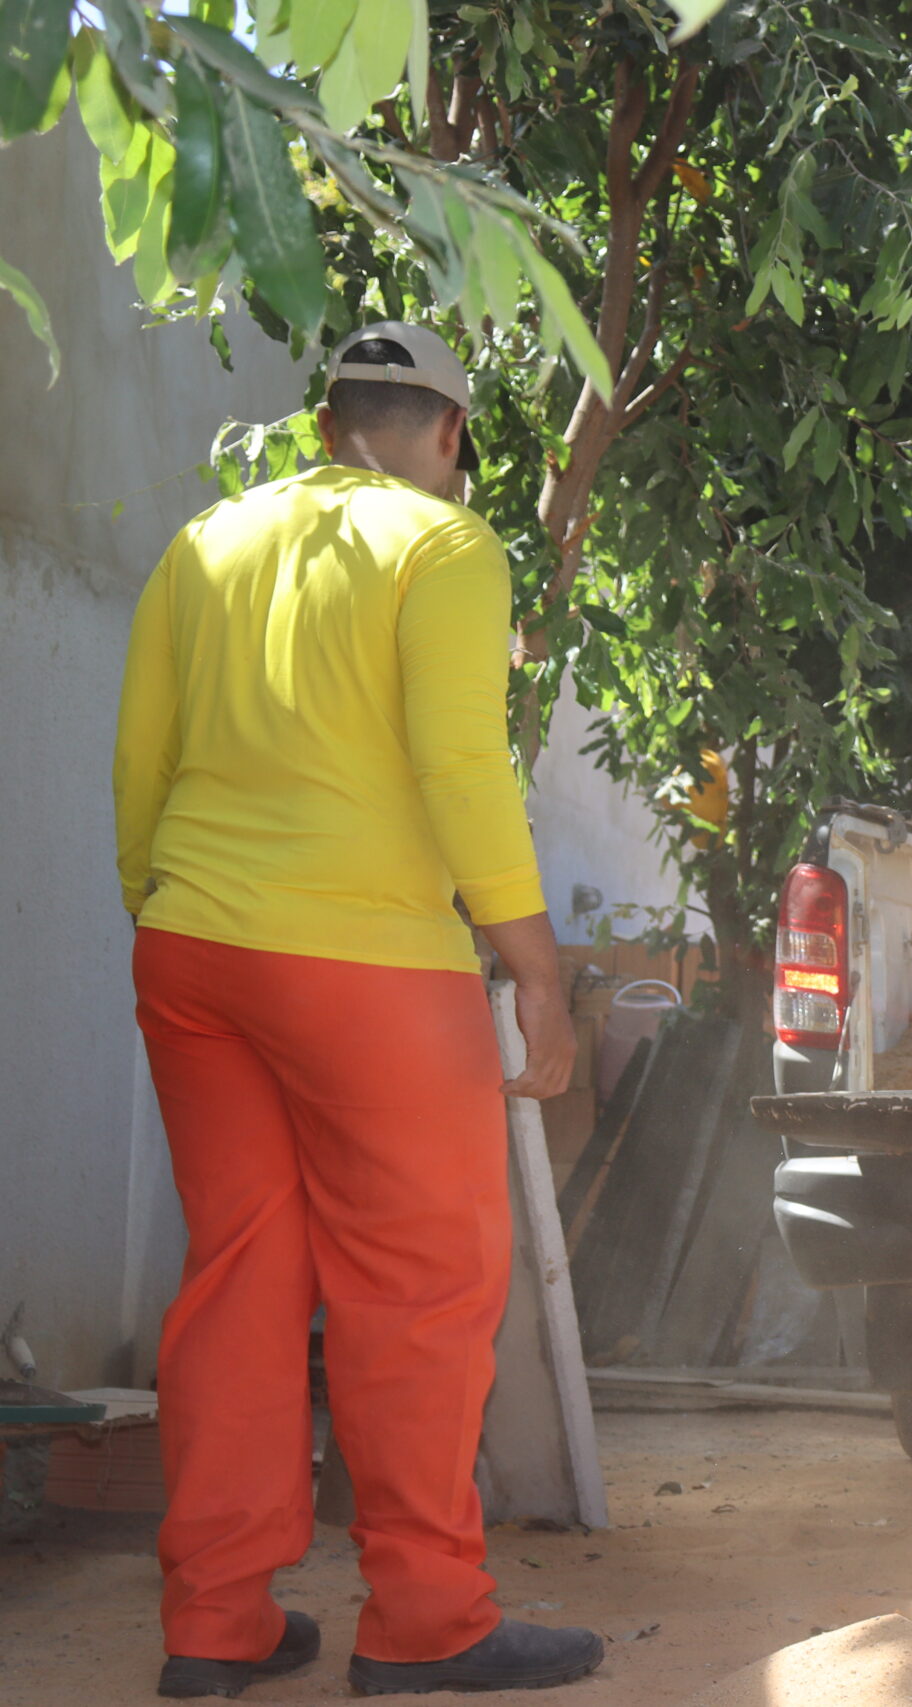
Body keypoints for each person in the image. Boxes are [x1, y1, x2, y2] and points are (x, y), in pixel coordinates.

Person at [114, 323, 605, 1699]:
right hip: (370, 971)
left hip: (195, 950)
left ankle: (213, 1623)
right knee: (420, 1287)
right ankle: (426, 1621)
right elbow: (461, 767)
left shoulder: (204, 545)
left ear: (330, 422)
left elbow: (140, 757)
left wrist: (165, 912)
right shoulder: (445, 546)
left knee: (240, 1279)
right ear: (447, 435)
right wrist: (537, 968)